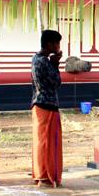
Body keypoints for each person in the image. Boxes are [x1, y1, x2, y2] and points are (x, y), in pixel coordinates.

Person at [30, 29, 63, 187]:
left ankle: (40, 174)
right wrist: (56, 64)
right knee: (48, 143)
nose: (58, 46)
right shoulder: (44, 61)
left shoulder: (36, 58)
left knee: (41, 142)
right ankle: (45, 176)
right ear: (49, 44)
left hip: (39, 104)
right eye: (56, 43)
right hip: (47, 105)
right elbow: (56, 82)